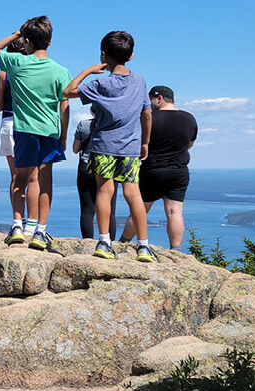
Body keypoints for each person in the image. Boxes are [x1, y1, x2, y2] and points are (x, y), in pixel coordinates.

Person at [64, 31, 156, 262]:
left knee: (104, 191)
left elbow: (68, 91)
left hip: (103, 145)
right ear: (131, 56)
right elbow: (147, 114)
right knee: (133, 193)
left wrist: (88, 70)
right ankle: (143, 246)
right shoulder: (140, 81)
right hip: (130, 147)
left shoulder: (101, 82)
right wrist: (145, 141)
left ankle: (104, 242)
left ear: (104, 55)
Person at [0, 16, 71, 250]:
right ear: (51, 41)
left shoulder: (17, 63)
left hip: (23, 130)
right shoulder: (60, 70)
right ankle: (39, 231)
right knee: (44, 182)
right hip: (49, 132)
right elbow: (65, 106)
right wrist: (63, 135)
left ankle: (17, 225)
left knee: (19, 179)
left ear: (27, 40)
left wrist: (17, 34)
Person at [119, 85, 196, 251]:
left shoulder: (149, 118)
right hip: (179, 170)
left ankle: (123, 243)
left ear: (159, 98)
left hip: (152, 170)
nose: (148, 104)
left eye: (150, 100)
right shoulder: (190, 119)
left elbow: (139, 143)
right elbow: (189, 143)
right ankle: (175, 251)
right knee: (174, 212)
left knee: (139, 209)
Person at [0, 37, 35, 242]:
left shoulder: (3, 74)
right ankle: (32, 226)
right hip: (27, 124)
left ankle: (17, 223)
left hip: (7, 124)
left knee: (15, 178)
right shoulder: (32, 72)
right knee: (34, 178)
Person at [74, 103, 118, 240]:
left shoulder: (84, 125)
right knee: (110, 210)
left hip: (86, 167)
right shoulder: (115, 127)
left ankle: (88, 242)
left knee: (87, 210)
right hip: (109, 168)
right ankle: (109, 243)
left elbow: (75, 149)